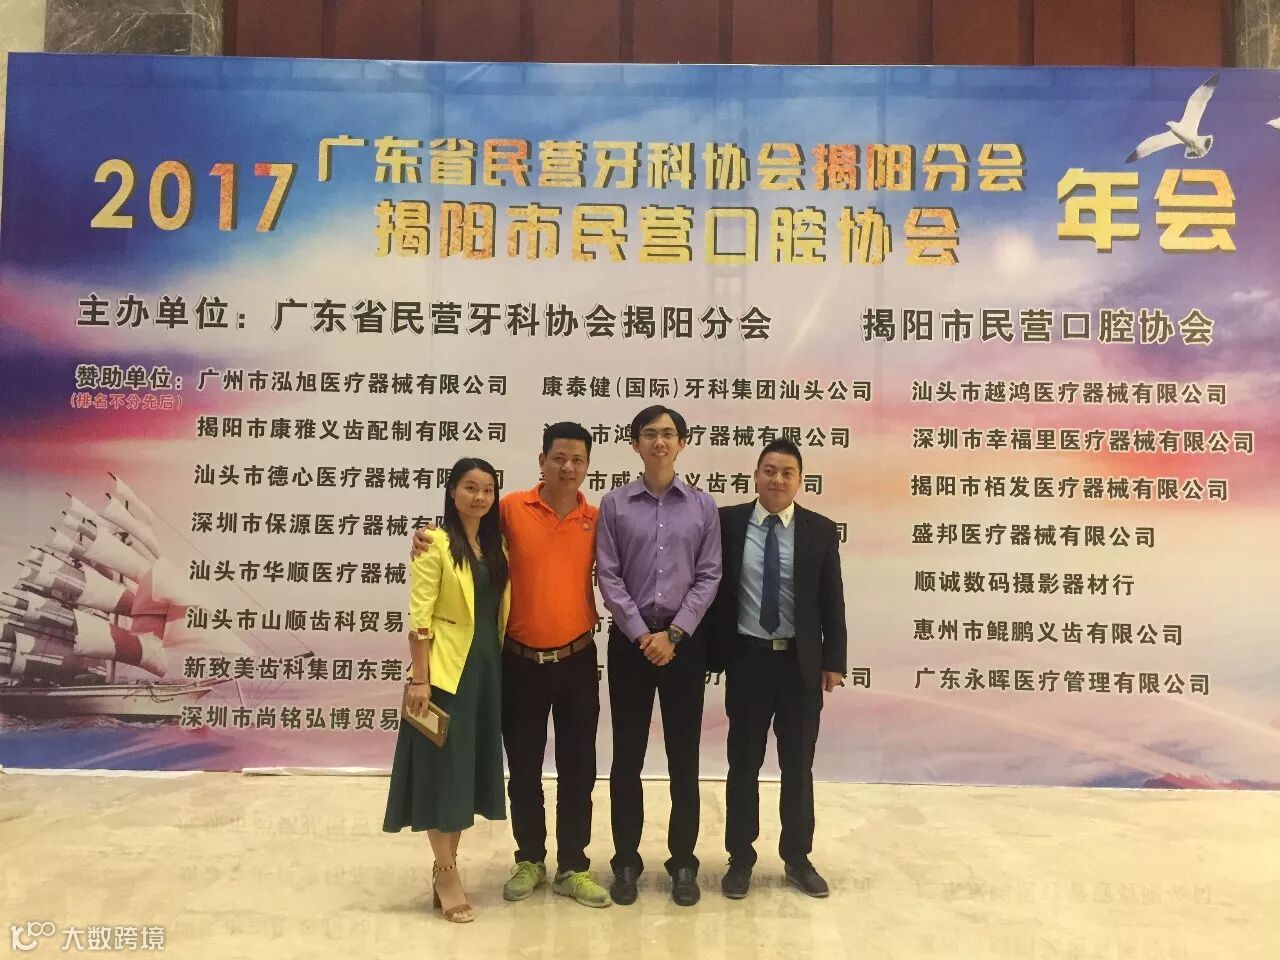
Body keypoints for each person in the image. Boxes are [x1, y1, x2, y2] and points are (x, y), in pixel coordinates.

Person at [411, 423, 611, 908]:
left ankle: (574, 865)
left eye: (577, 460)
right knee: (523, 767)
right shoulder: (510, 509)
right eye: (558, 458)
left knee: (579, 768)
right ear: (541, 461)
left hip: (577, 658)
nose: (567, 467)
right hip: (520, 662)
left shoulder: (597, 518)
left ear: (588, 466)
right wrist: (426, 538)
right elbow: (465, 531)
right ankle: (529, 860)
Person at [706, 438, 847, 901]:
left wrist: (833, 661)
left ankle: (797, 857)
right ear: (756, 474)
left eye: (787, 472)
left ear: (800, 480)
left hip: (799, 666)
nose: (777, 479)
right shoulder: (727, 523)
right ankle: (740, 858)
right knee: (743, 763)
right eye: (769, 470)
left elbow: (832, 600)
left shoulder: (819, 530)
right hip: (747, 660)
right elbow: (710, 588)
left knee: (798, 766)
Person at [596, 405, 721, 907]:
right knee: (626, 758)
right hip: (631, 646)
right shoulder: (614, 505)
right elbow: (608, 575)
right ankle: (625, 861)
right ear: (635, 444)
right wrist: (640, 634)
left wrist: (674, 633)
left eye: (669, 434)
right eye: (650, 434)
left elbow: (709, 575)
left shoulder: (703, 506)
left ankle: (683, 862)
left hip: (684, 646)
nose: (659, 442)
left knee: (683, 758)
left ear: (682, 443)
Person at [384, 457, 511, 924]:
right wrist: (420, 678)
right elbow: (420, 616)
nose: (479, 497)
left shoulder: (496, 546)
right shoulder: (435, 542)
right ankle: (446, 872)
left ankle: (446, 866)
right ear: (452, 491)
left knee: (464, 775)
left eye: (488, 489)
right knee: (443, 773)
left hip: (487, 669)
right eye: (470, 487)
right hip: (445, 674)